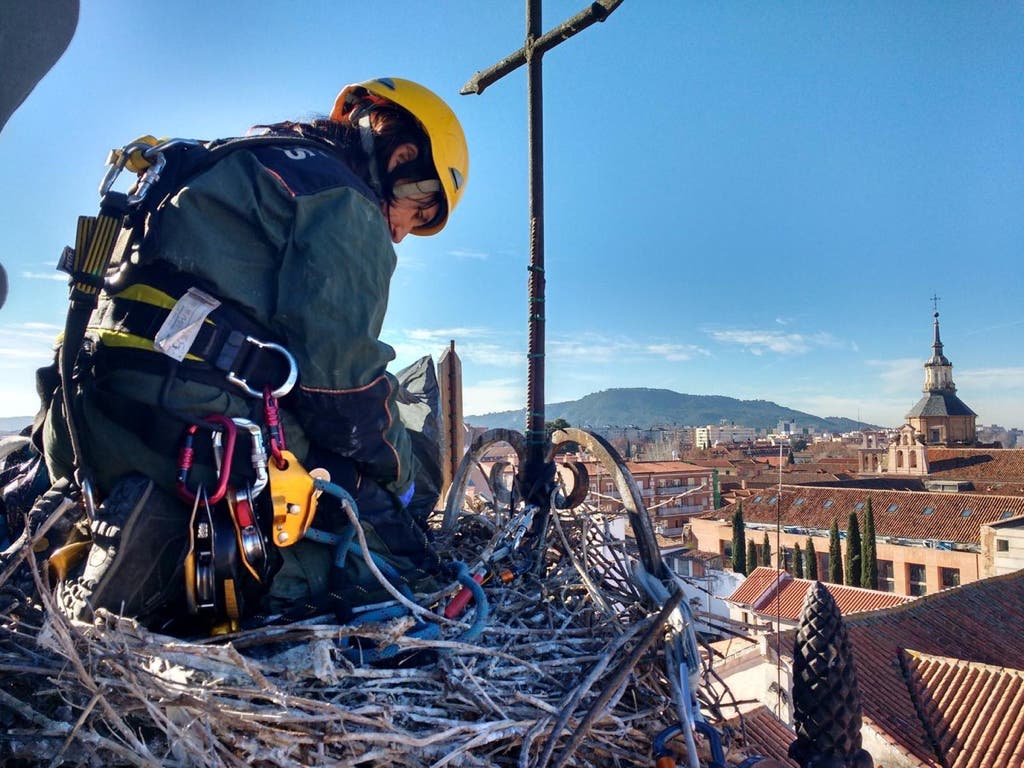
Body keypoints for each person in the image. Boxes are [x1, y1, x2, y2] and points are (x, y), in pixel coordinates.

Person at [37, 77, 468, 634]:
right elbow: (345, 391)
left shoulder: (227, 164)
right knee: (374, 529)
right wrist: (405, 483)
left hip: (85, 428)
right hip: (195, 444)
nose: (402, 232)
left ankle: (109, 533)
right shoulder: (342, 199)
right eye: (414, 209)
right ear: (402, 157)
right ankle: (181, 570)